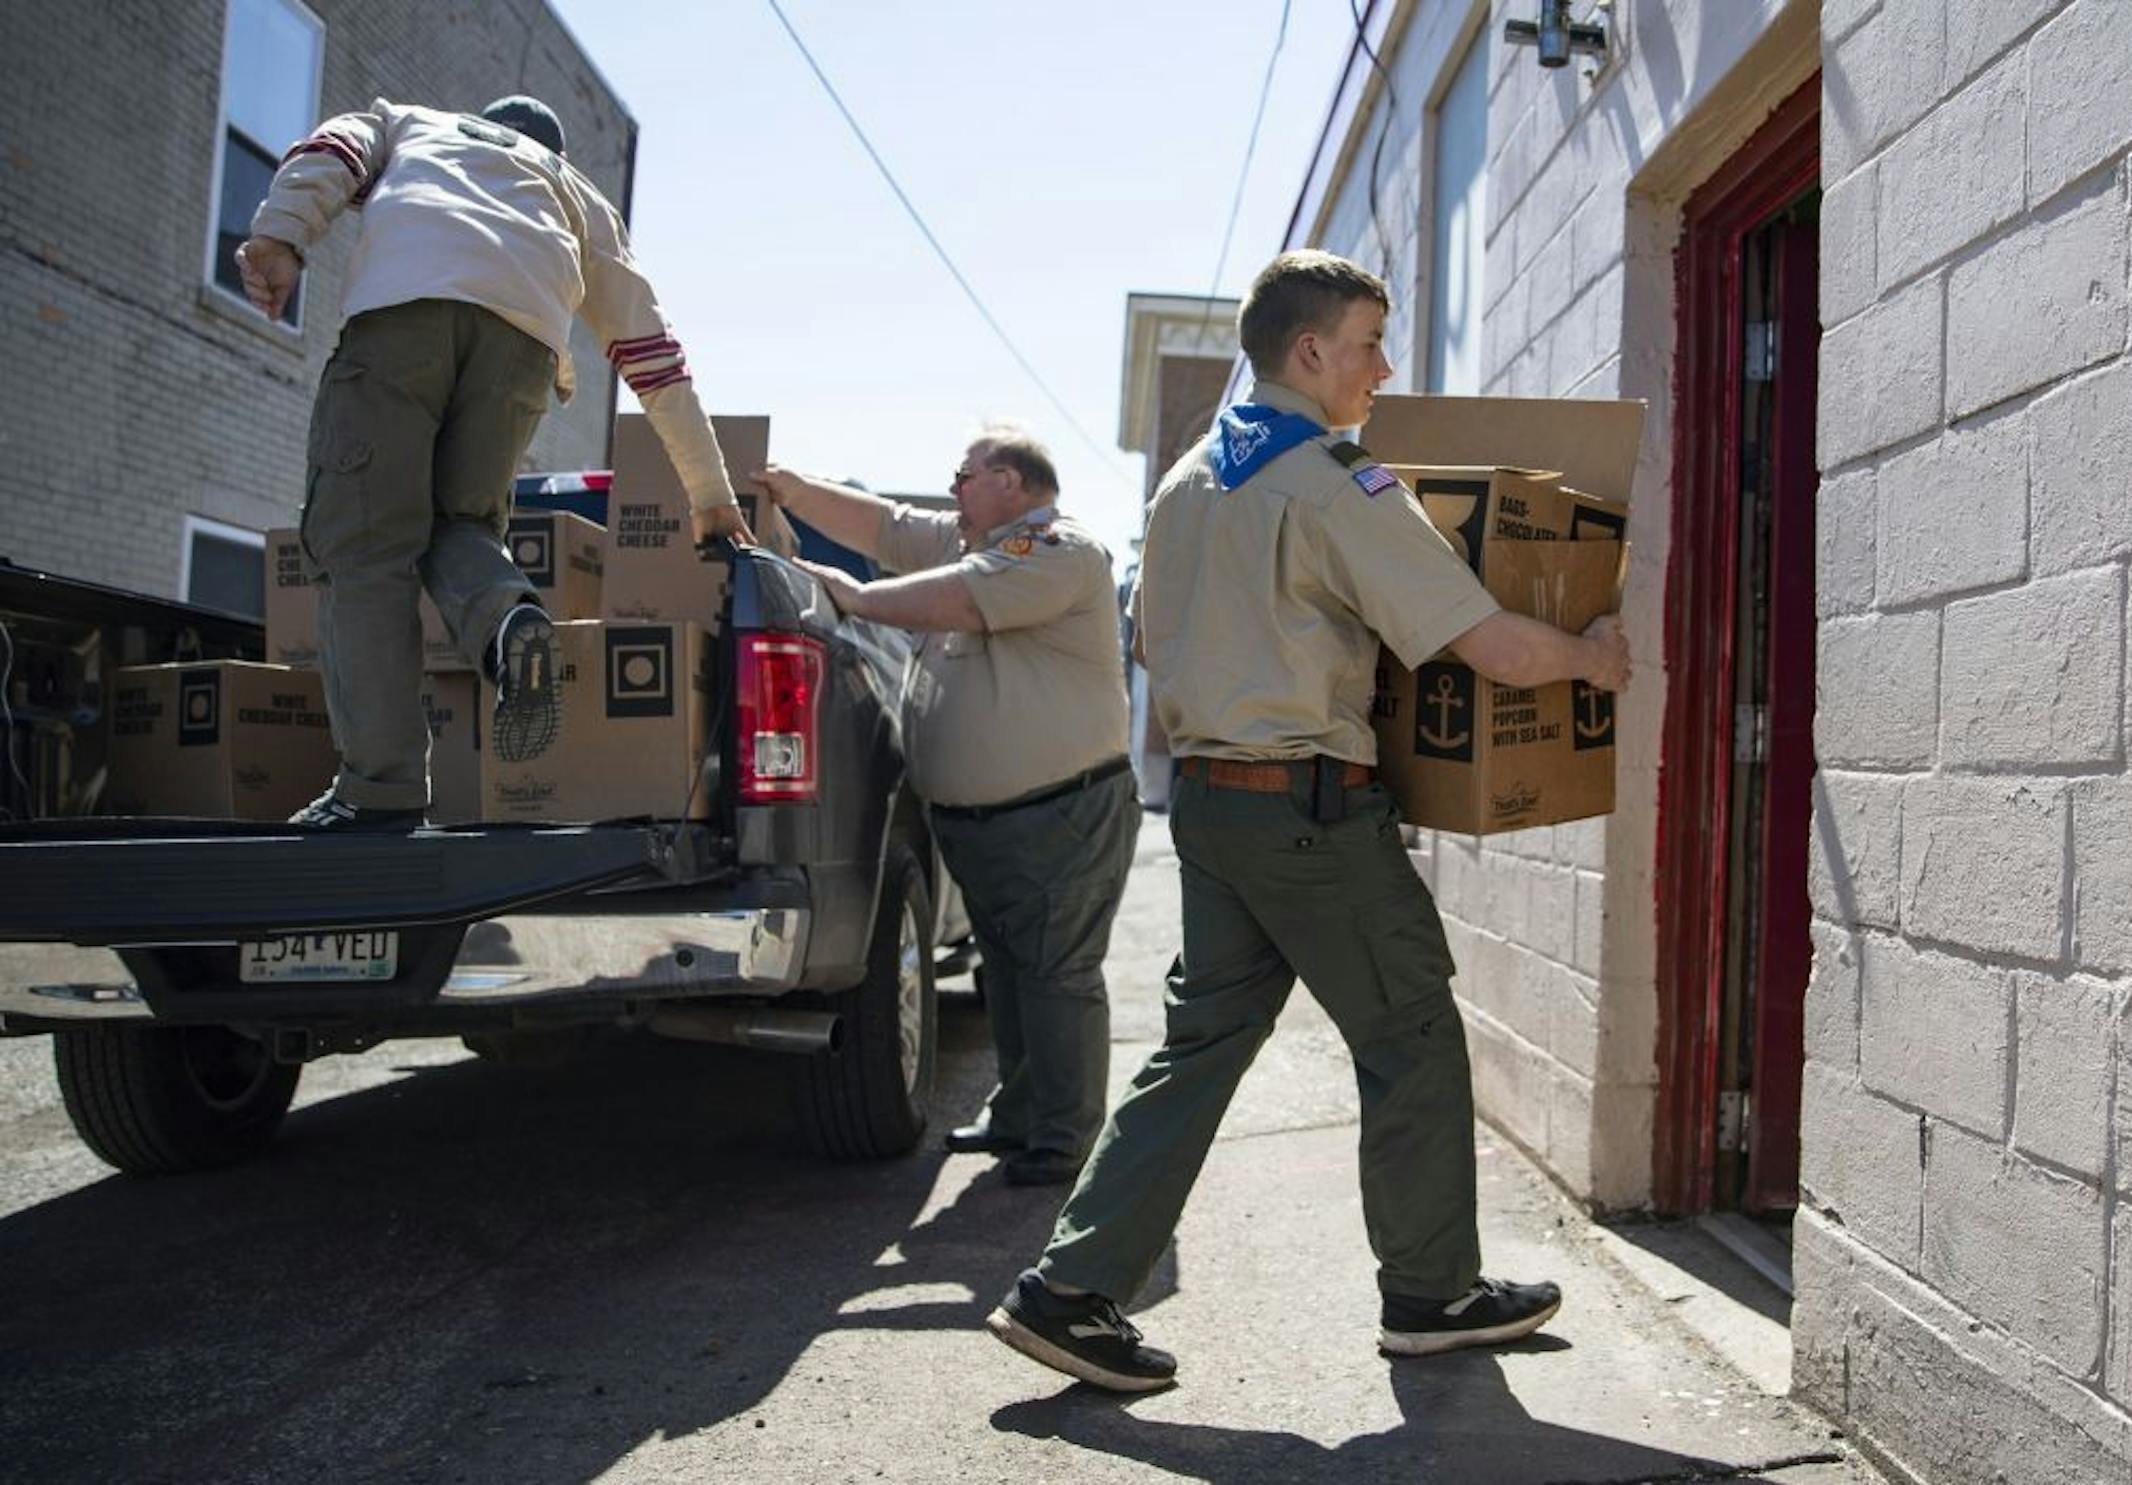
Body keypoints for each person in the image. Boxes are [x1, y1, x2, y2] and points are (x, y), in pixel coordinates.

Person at [986, 250, 1633, 1392]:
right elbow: (1485, 640)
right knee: (1411, 1030)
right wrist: (1591, 656)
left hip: (1210, 807)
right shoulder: (1335, 481)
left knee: (1202, 1046)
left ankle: (1069, 1292)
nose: (1384, 368)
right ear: (1309, 352)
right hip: (1308, 815)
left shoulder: (1186, 482)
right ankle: (1433, 1294)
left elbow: (1155, 646)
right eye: (1371, 342)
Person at [234, 95, 751, 829]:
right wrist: (710, 495)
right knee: (463, 525)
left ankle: (378, 791)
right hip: (522, 346)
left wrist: (278, 237)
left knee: (366, 544)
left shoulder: (413, 122)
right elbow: (655, 359)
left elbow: (332, 150)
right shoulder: (578, 195)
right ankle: (508, 619)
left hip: (404, 313)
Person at [747, 431, 1139, 1186]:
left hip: (1059, 814)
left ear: (1009, 480)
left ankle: (1061, 1136)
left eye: (963, 476)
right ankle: (1020, 1113)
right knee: (1011, 973)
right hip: (985, 823)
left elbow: (961, 597)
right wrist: (795, 488)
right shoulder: (975, 543)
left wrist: (855, 598)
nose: (952, 489)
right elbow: (886, 526)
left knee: (1055, 975)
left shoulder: (1055, 549)